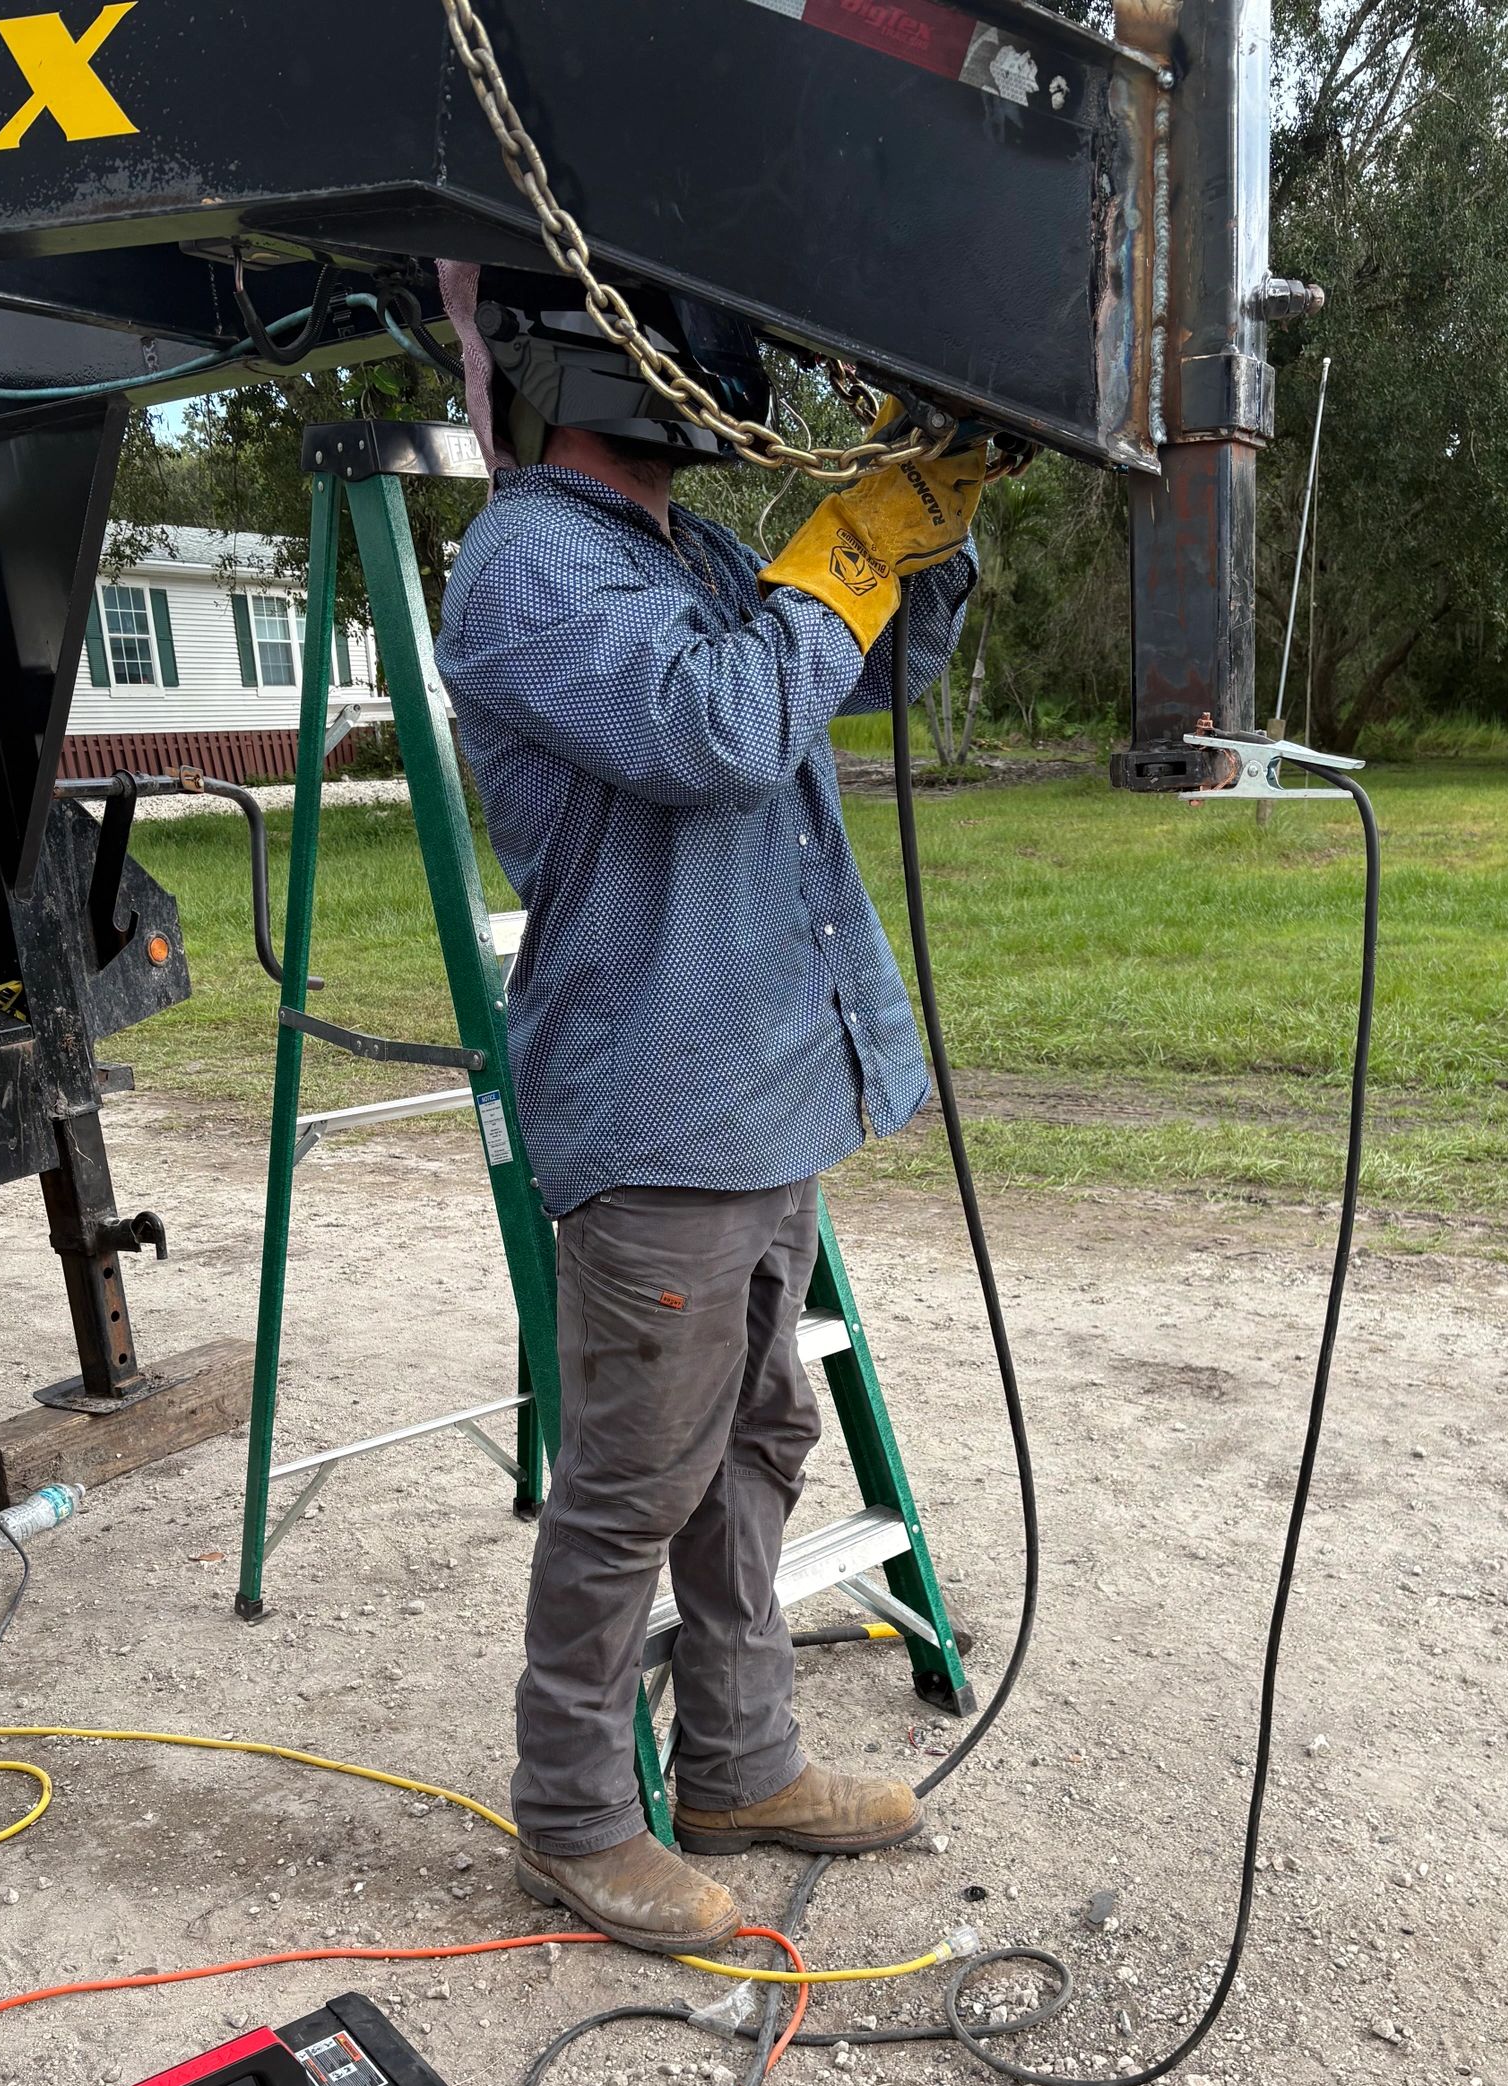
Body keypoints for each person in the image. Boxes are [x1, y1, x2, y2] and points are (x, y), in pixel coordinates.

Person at [435, 266, 986, 1956]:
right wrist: (848, 546)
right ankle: (573, 1819)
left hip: (764, 1097)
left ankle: (741, 1764)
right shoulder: (526, 561)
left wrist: (925, 529)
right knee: (635, 1485)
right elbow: (722, 724)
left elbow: (860, 675)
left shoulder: (695, 553)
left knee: (756, 1448)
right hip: (659, 1114)